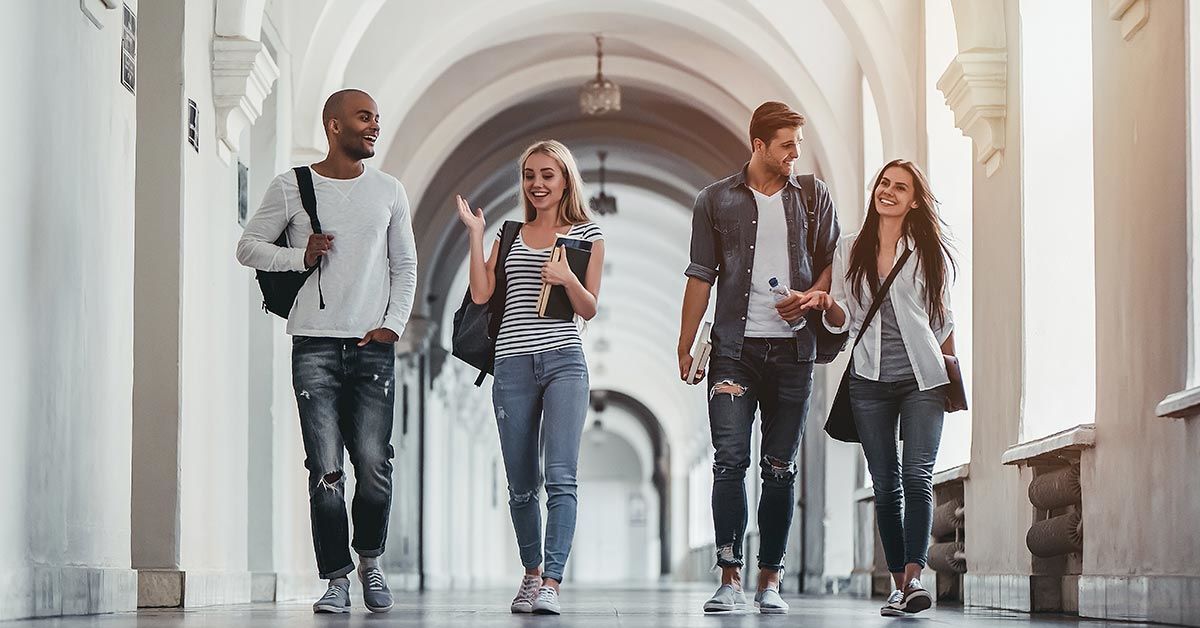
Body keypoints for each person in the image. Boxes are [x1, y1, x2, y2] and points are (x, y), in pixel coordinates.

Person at [235, 89, 417, 614]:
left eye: (378, 118)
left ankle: (371, 561)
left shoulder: (389, 191)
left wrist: (391, 327)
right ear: (333, 125)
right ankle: (336, 578)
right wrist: (300, 256)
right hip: (313, 344)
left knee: (374, 464)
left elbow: (405, 265)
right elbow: (248, 246)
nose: (374, 127)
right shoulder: (293, 187)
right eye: (364, 118)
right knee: (325, 468)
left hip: (373, 347)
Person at [677, 101, 840, 615]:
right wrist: (684, 344)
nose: (795, 154)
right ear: (759, 145)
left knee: (780, 467)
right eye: (787, 145)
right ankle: (730, 577)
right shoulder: (715, 201)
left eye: (798, 144)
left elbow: (831, 265)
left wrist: (811, 298)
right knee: (729, 461)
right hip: (733, 352)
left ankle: (770, 579)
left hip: (793, 351)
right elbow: (700, 275)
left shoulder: (813, 197)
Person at [455, 140, 605, 615]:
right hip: (513, 365)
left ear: (565, 180)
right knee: (521, 483)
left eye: (547, 175)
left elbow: (589, 307)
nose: (537, 184)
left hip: (564, 361)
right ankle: (530, 573)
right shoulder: (511, 233)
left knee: (561, 477)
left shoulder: (587, 234)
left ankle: (552, 583)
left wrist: (566, 280)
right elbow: (481, 295)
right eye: (529, 175)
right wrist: (476, 235)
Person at [805, 158, 957, 617]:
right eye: (884, 184)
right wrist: (829, 305)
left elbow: (943, 320)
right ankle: (898, 583)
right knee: (886, 485)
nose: (888, 192)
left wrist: (953, 377)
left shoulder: (929, 250)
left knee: (918, 477)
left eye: (901, 188)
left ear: (914, 202)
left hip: (922, 380)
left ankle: (915, 578)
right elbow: (847, 318)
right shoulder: (850, 247)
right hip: (868, 380)